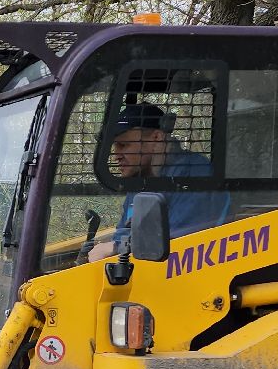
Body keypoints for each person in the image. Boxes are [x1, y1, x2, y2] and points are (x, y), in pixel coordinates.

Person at [87, 104, 232, 261]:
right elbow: (125, 230)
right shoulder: (142, 180)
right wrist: (116, 246)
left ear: (156, 138)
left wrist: (116, 248)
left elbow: (182, 243)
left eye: (123, 145)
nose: (116, 156)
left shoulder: (192, 173)